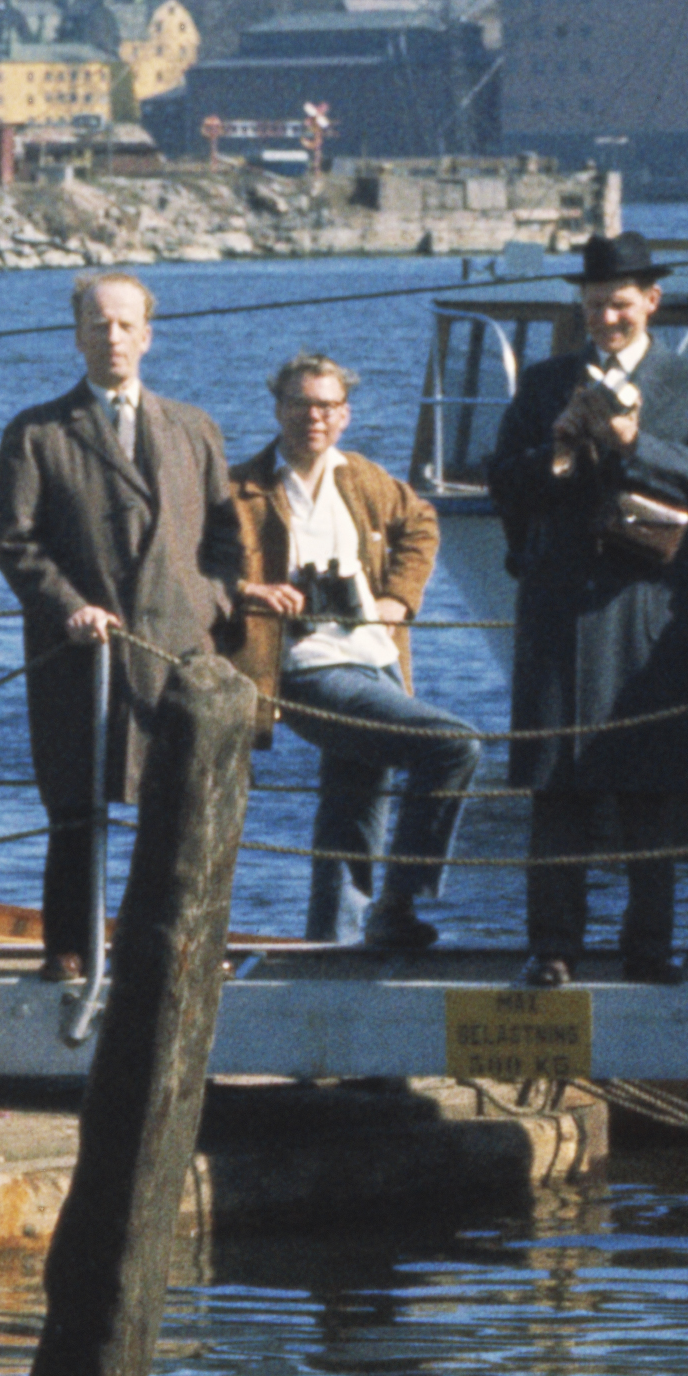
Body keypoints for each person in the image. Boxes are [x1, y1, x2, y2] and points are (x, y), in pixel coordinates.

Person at [486, 232, 688, 986]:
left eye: (619, 305)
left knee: (648, 793)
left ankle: (649, 949)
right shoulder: (544, 382)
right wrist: (556, 453)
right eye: (594, 306)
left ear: (650, 302)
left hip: (648, 609)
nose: (607, 319)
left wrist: (636, 442)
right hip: (559, 611)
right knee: (557, 789)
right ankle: (553, 949)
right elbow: (504, 484)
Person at [0, 270, 237, 977]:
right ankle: (69, 950)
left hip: (176, 653)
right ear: (77, 336)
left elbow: (225, 540)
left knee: (181, 809)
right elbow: (17, 543)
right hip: (78, 654)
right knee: (77, 808)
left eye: (126, 324)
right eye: (99, 324)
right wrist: (68, 606)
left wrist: (209, 604)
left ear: (148, 336)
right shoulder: (36, 433)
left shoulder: (193, 429)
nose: (113, 336)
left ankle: (173, 944)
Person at [226, 355, 472, 955]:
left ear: (345, 415)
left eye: (327, 406)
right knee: (453, 745)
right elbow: (191, 566)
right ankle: (400, 902)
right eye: (301, 404)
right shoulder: (240, 490)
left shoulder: (361, 477)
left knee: (353, 805)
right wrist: (250, 590)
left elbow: (423, 522)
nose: (315, 417)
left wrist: (398, 598)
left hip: (377, 659)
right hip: (305, 669)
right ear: (278, 409)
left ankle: (333, 945)